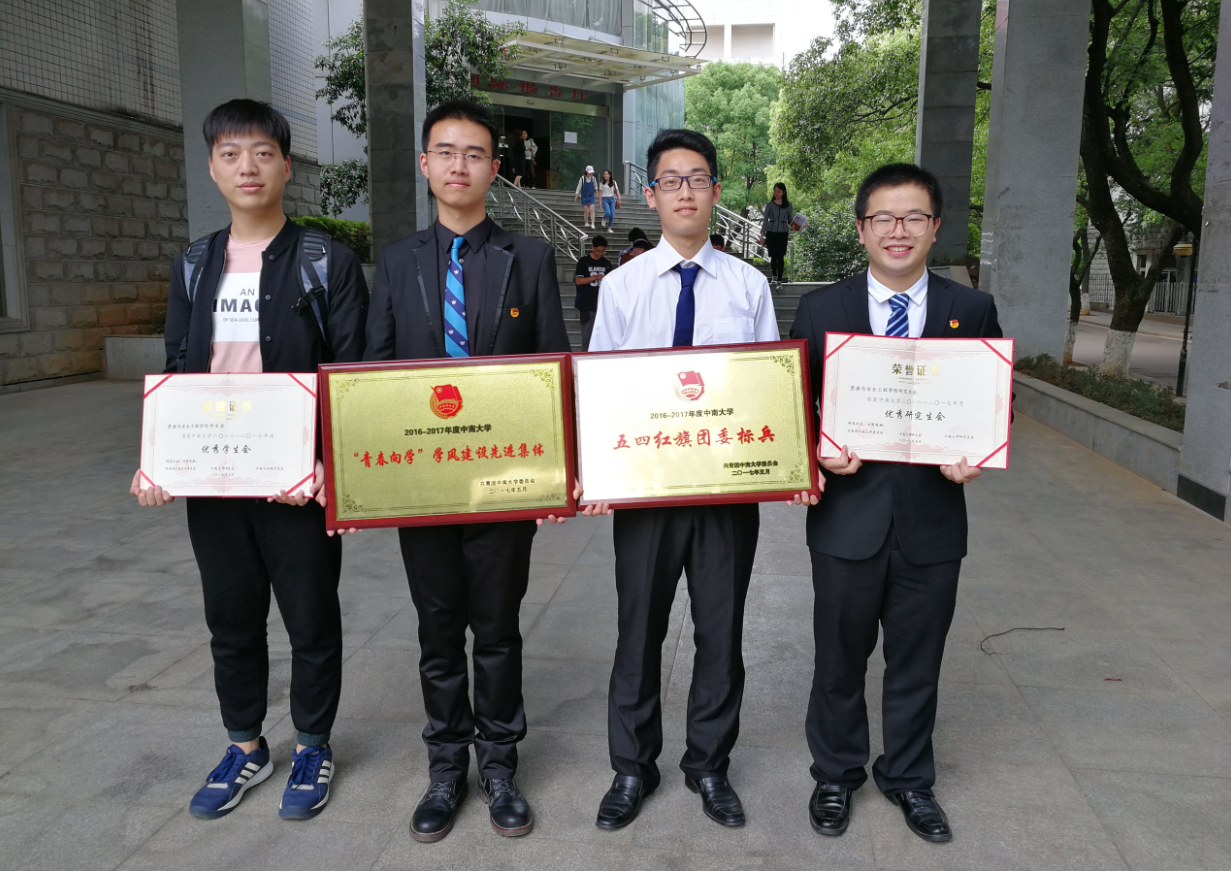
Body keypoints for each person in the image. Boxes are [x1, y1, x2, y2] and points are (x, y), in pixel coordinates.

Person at [130, 99, 369, 821]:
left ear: (286, 166)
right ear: (211, 167)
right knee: (230, 619)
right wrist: (156, 459)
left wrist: (326, 466)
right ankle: (245, 745)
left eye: (263, 153)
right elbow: (178, 367)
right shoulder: (195, 264)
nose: (248, 167)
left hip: (297, 483)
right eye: (231, 154)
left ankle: (313, 745)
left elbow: (351, 375)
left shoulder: (326, 262)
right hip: (215, 479)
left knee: (310, 618)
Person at [364, 100, 571, 843]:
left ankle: (500, 766)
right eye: (446, 152)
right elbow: (373, 373)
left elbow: (552, 365)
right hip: (422, 484)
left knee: (498, 629)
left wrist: (555, 472)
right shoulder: (397, 261)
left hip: (504, 481)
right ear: (425, 165)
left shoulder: (529, 259)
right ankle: (446, 767)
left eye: (475, 153)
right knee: (437, 630)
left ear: (494, 168)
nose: (459, 165)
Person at [787, 163, 1004, 844]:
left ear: (935, 227)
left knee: (918, 661)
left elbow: (991, 402)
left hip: (932, 520)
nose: (898, 230)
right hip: (846, 518)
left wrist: (975, 454)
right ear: (862, 230)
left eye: (913, 217)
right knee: (838, 660)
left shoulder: (971, 309)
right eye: (883, 217)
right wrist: (815, 450)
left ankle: (909, 777)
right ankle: (835, 773)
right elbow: (794, 407)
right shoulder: (823, 310)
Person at [585, 129, 779, 831]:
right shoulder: (621, 286)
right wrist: (598, 472)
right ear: (652, 194)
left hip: (725, 494)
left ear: (716, 192)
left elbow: (768, 388)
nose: (686, 192)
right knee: (638, 630)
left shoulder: (749, 286)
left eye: (698, 179)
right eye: (672, 180)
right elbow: (599, 388)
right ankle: (631, 767)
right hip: (644, 492)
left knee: (720, 633)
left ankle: (708, 765)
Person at [574, 235, 612, 350]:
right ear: (592, 247)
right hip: (587, 305)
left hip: (602, 306)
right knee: (587, 339)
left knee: (604, 340)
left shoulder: (607, 263)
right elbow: (578, 280)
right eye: (598, 251)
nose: (600, 254)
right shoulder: (584, 261)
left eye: (603, 251)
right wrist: (595, 277)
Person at [760, 182, 796, 285]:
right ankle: (774, 276)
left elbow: (790, 220)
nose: (776, 193)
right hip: (771, 232)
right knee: (773, 256)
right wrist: (762, 235)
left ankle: (779, 279)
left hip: (783, 232)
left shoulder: (788, 205)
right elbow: (765, 220)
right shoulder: (769, 205)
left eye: (779, 191)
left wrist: (797, 225)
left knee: (781, 256)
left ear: (783, 192)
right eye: (775, 191)